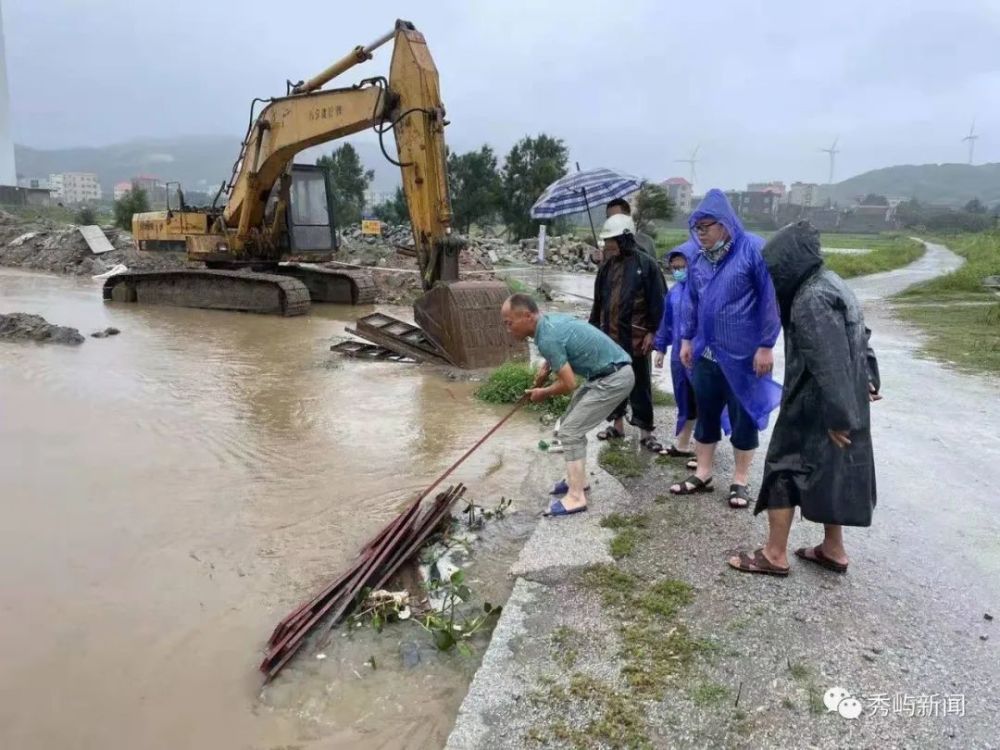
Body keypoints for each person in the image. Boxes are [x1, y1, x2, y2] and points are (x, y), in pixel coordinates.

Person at [728, 222, 881, 576]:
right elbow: (861, 336)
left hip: (817, 403)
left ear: (790, 262)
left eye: (773, 269)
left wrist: (838, 415)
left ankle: (774, 554)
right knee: (831, 472)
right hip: (844, 396)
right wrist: (869, 377)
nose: (771, 277)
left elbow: (827, 358)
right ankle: (833, 549)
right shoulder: (834, 282)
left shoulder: (810, 297)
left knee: (783, 468)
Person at [670, 189, 782, 508]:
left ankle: (740, 480)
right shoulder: (698, 260)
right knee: (706, 412)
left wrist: (766, 345)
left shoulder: (752, 251)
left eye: (707, 226)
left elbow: (769, 301)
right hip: (706, 353)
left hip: (745, 354)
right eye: (698, 227)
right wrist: (687, 339)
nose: (701, 233)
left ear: (726, 225)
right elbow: (691, 302)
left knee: (743, 414)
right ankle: (703, 473)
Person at [501, 293, 635, 517]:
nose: (508, 329)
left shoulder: (546, 338)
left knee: (571, 431)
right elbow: (560, 350)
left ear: (527, 316)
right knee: (569, 422)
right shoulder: (547, 323)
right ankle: (579, 481)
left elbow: (570, 383)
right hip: (604, 374)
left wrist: (543, 392)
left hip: (613, 378)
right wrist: (546, 368)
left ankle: (576, 497)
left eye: (509, 323)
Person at [589, 214, 667, 453]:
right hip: (609, 339)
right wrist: (592, 333)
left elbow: (659, 303)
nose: (606, 245)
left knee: (640, 384)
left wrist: (653, 333)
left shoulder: (647, 266)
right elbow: (598, 304)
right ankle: (617, 426)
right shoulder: (606, 268)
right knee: (612, 383)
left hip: (635, 339)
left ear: (624, 238)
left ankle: (646, 432)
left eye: (610, 240)